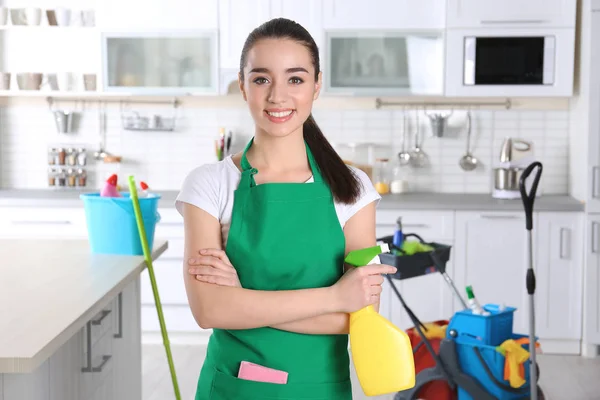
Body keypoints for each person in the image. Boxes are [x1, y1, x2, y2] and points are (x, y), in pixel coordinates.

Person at [175, 17, 397, 400]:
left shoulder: (352, 188)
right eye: (261, 79)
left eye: (295, 79)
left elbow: (359, 318)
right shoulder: (209, 184)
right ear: (243, 86)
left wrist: (244, 298)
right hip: (235, 387)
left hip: (320, 389)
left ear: (316, 85)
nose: (278, 96)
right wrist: (334, 297)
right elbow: (209, 310)